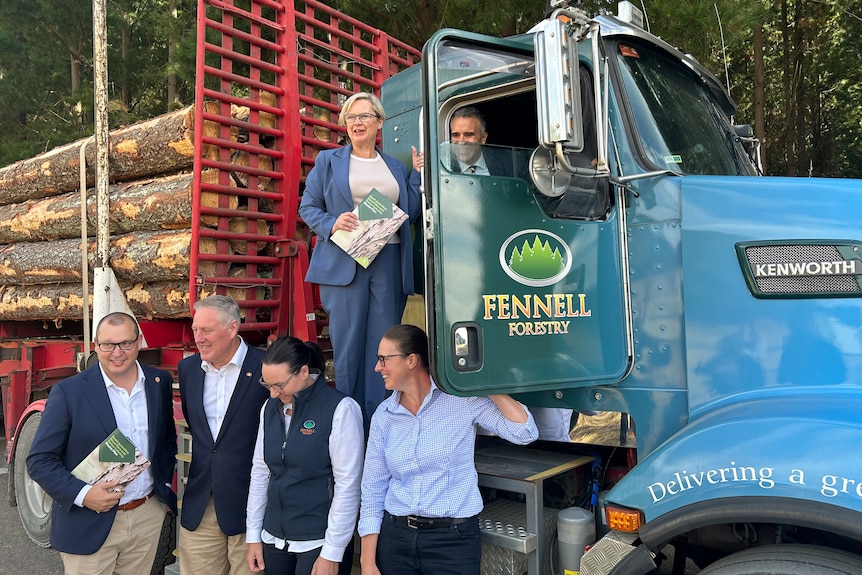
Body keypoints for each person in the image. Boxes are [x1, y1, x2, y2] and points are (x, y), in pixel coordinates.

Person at [358, 324, 539, 575]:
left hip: (452, 543)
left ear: (412, 360)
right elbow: (373, 488)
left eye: (383, 359)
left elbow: (525, 433)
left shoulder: (461, 400)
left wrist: (483, 382)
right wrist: (367, 563)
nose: (378, 367)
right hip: (395, 540)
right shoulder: (383, 416)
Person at [299, 92, 422, 426]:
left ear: (379, 122)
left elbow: (407, 213)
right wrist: (331, 222)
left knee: (385, 349)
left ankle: (381, 424)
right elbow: (307, 206)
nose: (356, 122)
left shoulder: (394, 166)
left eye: (364, 116)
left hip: (389, 259)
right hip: (344, 259)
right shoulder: (329, 161)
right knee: (349, 347)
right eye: (350, 117)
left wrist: (417, 175)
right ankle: (350, 426)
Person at [27, 312, 177, 575]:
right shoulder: (70, 392)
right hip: (89, 519)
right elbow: (39, 461)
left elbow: (165, 440)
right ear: (96, 345)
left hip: (146, 515)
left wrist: (161, 494)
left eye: (125, 344)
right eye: (108, 344)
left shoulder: (158, 382)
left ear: (139, 342)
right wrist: (85, 496)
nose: (116, 352)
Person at [245, 337, 364, 575]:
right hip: (274, 537)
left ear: (304, 372)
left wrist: (333, 550)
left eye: (279, 385)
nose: (272, 394)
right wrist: (253, 536)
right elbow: (260, 473)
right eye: (267, 385)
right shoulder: (269, 409)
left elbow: (348, 485)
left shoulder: (341, 408)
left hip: (318, 541)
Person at [178, 295, 269, 575]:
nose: (199, 338)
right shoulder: (188, 369)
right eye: (195, 330)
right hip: (201, 505)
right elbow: (199, 431)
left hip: (251, 507)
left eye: (206, 330)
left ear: (232, 328)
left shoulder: (266, 367)